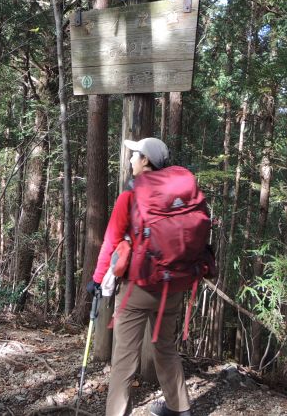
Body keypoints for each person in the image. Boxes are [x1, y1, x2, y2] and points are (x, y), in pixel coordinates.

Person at [87, 137, 192, 416]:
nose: (131, 159)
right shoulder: (179, 196)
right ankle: (180, 409)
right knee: (165, 347)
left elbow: (111, 240)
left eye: (135, 154)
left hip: (138, 287)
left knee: (124, 356)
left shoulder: (131, 195)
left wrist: (97, 279)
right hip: (173, 286)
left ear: (145, 160)